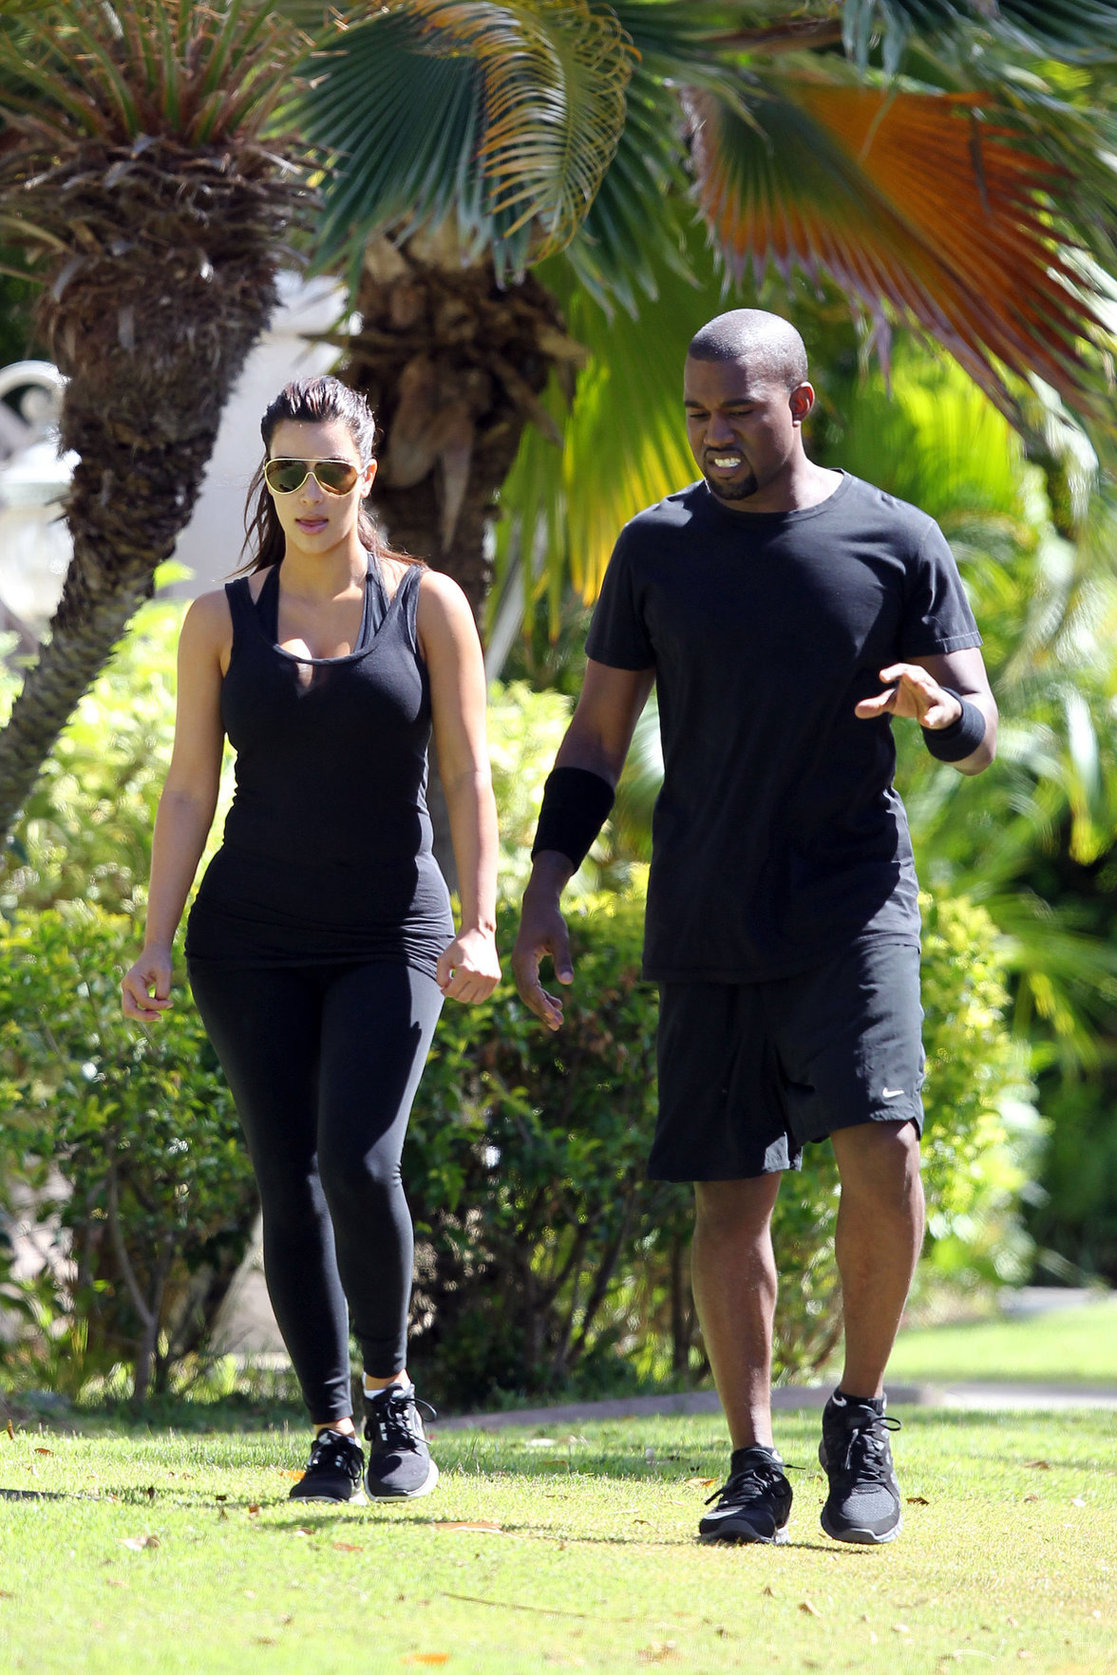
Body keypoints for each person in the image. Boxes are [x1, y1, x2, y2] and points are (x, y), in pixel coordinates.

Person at [512, 309, 996, 1547]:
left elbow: (975, 727)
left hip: (850, 900)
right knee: (730, 1199)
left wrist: (937, 711)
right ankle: (752, 1463)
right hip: (707, 905)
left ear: (800, 404)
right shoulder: (656, 547)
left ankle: (860, 1417)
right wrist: (545, 884)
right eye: (697, 413)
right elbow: (596, 736)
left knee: (884, 1145)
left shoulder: (895, 537)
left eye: (739, 409)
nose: (714, 433)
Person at [122, 375, 500, 1505]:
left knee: (361, 1160)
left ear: (364, 476)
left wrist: (480, 921)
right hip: (248, 939)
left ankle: (392, 1398)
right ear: (269, 479)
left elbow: (468, 776)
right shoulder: (218, 618)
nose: (311, 492)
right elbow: (188, 790)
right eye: (288, 472)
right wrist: (155, 938)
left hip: (392, 931)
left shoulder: (426, 604)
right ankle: (331, 1428)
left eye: (332, 471)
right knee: (287, 1179)